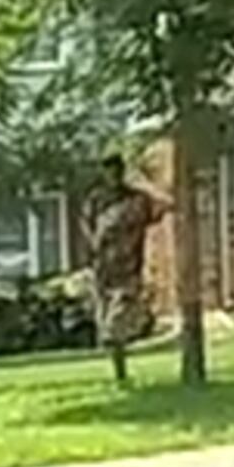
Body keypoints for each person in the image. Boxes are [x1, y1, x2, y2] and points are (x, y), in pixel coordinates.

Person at [83, 158, 162, 387]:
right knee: (109, 331)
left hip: (128, 271)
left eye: (117, 172)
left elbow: (167, 204)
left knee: (114, 325)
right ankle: (121, 375)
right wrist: (96, 250)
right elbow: (88, 229)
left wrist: (145, 184)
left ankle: (132, 328)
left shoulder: (136, 200)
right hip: (104, 271)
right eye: (108, 172)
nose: (113, 177)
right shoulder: (96, 200)